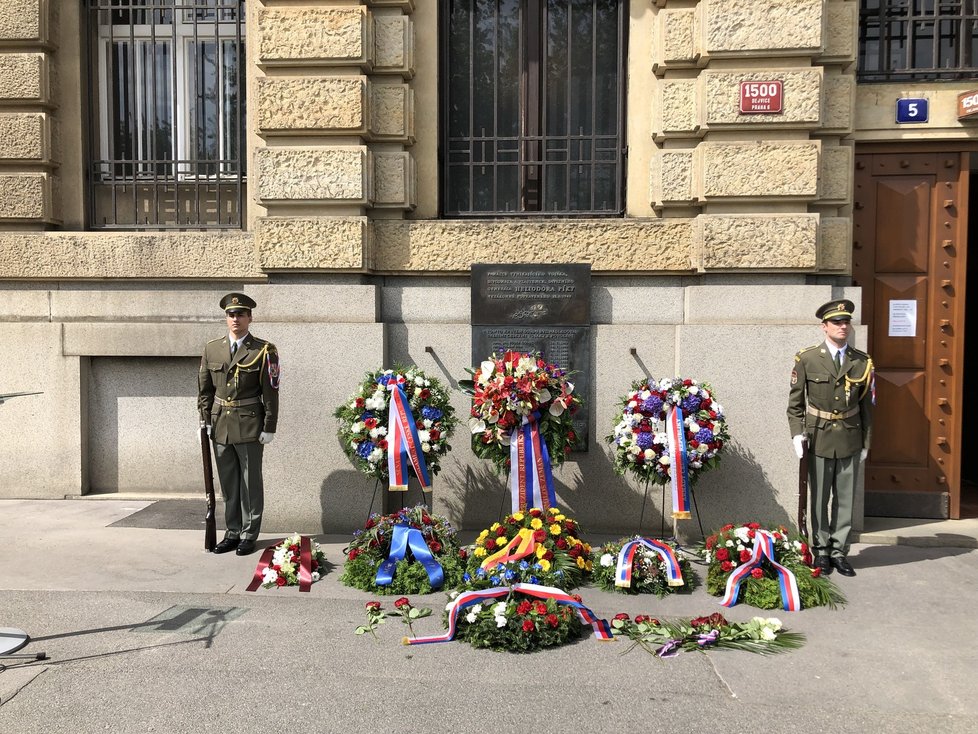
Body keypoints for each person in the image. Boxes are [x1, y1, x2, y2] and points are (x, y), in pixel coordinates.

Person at [787, 299, 874, 577]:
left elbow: (867, 408)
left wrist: (866, 443)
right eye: (836, 322)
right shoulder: (808, 358)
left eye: (846, 321)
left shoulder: (862, 361)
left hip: (850, 437)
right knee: (819, 496)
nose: (843, 326)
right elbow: (795, 404)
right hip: (819, 436)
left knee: (845, 499)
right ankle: (821, 550)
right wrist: (797, 435)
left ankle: (839, 552)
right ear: (824, 326)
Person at [197, 293, 280, 556]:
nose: (236, 319)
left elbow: (271, 392)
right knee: (229, 482)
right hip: (220, 423)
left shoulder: (264, 350)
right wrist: (206, 419)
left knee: (249, 482)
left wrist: (269, 426)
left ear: (250, 318)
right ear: (226, 318)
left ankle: (249, 533)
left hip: (249, 424)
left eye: (241, 314)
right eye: (231, 315)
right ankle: (232, 531)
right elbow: (205, 389)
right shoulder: (212, 348)